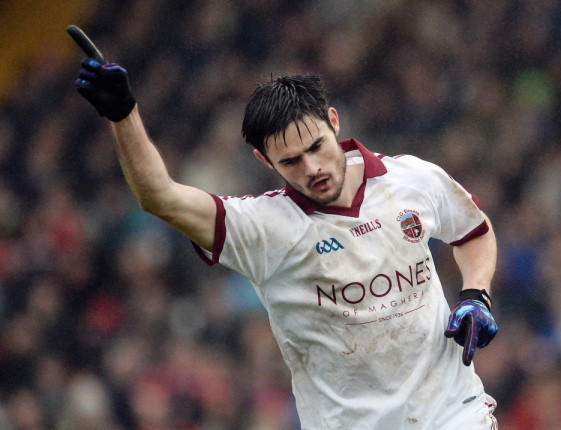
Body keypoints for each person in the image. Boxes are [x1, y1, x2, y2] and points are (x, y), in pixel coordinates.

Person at [72, 31, 499, 430]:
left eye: (316, 147)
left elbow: (472, 232)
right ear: (265, 162)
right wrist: (123, 115)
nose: (312, 168)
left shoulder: (411, 179)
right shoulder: (262, 228)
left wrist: (476, 294)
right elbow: (159, 197)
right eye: (291, 161)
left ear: (333, 121)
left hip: (454, 414)